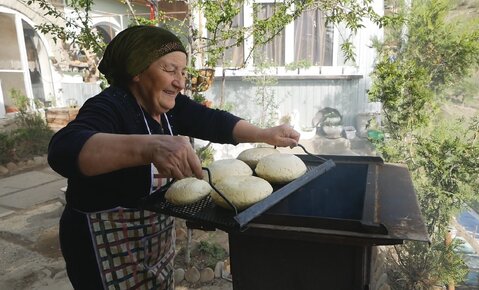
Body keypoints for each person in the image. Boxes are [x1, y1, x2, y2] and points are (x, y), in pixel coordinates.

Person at [47, 25, 300, 290]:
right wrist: (150, 147)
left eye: (182, 72)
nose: (180, 81)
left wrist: (265, 134)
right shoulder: (110, 106)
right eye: (169, 70)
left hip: (155, 240)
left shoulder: (169, 107)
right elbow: (64, 149)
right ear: (137, 70)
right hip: (104, 244)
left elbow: (214, 122)